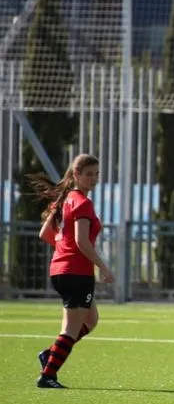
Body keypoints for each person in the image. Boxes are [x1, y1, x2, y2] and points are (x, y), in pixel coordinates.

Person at [29, 154, 113, 389]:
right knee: (71, 328)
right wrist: (104, 267)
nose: (94, 179)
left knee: (91, 319)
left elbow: (45, 234)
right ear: (76, 175)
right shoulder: (82, 203)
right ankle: (48, 375)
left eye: (96, 174)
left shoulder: (65, 199)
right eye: (89, 174)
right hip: (76, 272)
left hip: (61, 270)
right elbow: (82, 242)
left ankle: (52, 355)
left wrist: (63, 249)